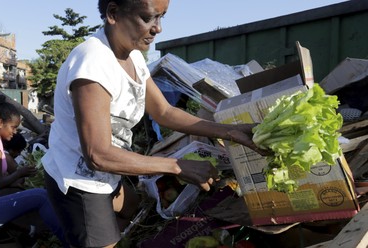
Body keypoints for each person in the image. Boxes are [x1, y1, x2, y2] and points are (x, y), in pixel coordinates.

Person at [41, 0, 268, 247]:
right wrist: (177, 166)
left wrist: (230, 131)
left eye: (161, 17)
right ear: (113, 13)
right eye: (148, 18)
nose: (157, 28)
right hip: (80, 182)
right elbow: (98, 154)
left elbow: (164, 111)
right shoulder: (92, 62)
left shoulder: (133, 57)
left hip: (107, 174)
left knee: (132, 209)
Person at [0, 95, 67, 248]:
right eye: (13, 127)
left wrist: (17, 179)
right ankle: (71, 243)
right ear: (0, 123)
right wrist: (19, 173)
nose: (15, 132)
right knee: (41, 196)